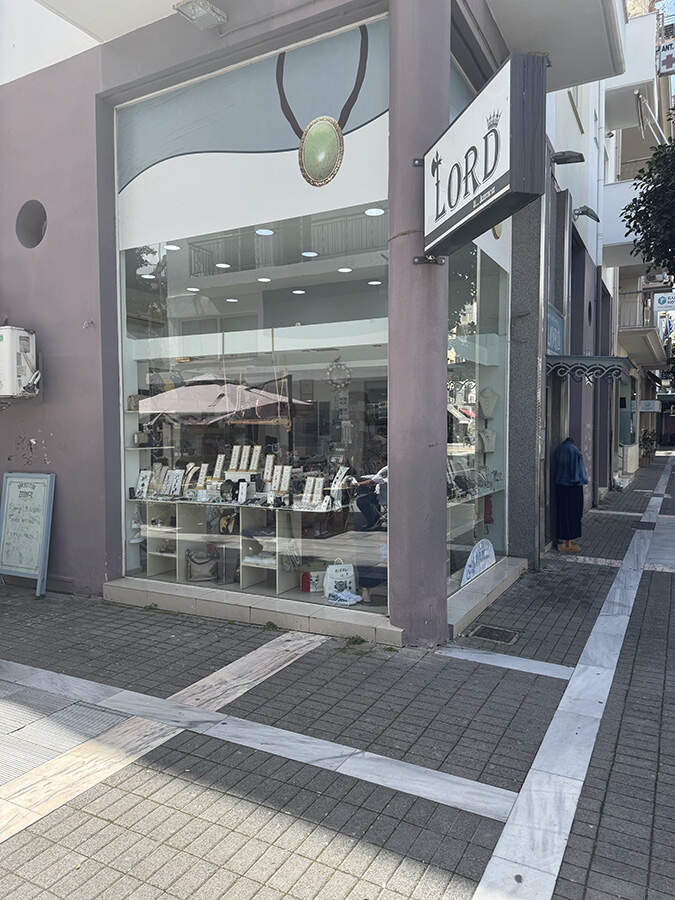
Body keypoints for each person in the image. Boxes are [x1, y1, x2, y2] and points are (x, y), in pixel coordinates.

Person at [553, 437, 588, 553]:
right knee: (573, 514)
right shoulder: (575, 450)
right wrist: (580, 480)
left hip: (560, 485)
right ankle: (569, 541)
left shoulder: (559, 449)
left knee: (562, 513)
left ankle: (562, 538)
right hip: (573, 487)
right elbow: (578, 471)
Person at [354, 465, 387, 530]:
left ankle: (371, 522)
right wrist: (363, 477)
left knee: (361, 501)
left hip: (385, 497)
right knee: (372, 496)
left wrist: (358, 483)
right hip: (392, 497)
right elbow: (376, 477)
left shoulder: (387, 469)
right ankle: (376, 519)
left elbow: (373, 480)